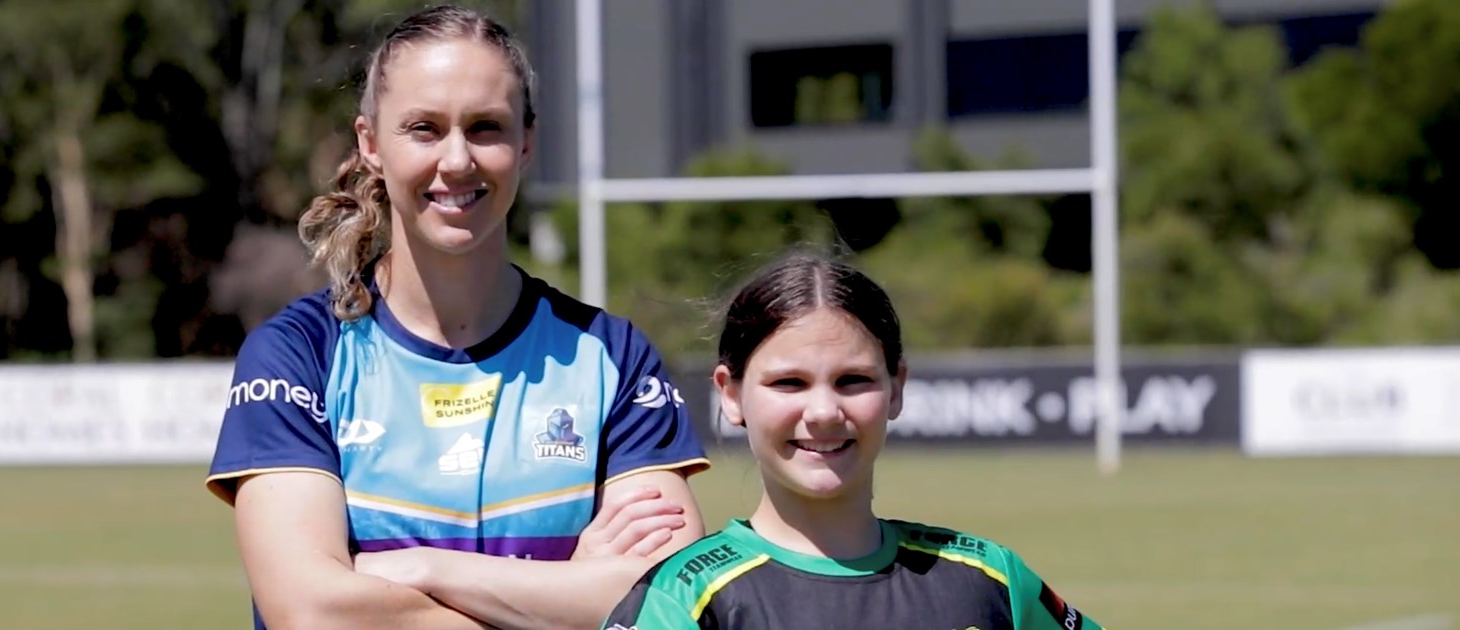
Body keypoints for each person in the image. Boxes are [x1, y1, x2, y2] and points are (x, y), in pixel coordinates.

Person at [203, 5, 711, 630]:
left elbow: (670, 603)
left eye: (485, 127)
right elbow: (311, 611)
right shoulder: (298, 354)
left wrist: (419, 568)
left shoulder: (610, 356)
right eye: (423, 128)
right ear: (370, 145)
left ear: (527, 143)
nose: (457, 160)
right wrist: (567, 593)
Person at [603, 252, 1104, 630]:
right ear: (730, 396)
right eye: (788, 384)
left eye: (853, 380)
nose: (823, 413)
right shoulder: (683, 599)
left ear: (896, 388)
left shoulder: (989, 577)